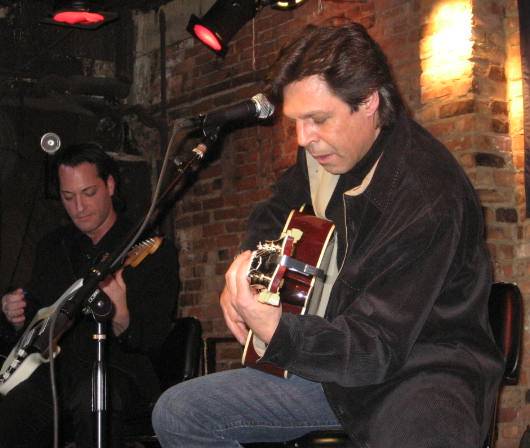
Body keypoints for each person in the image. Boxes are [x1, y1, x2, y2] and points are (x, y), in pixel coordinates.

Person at [152, 21, 504, 448]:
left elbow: (377, 348)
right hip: (331, 360)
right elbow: (274, 212)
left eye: (317, 120)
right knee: (180, 413)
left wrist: (280, 331)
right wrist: (249, 267)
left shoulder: (427, 195)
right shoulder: (325, 156)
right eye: (296, 122)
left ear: (369, 101)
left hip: (419, 371)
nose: (304, 140)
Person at [0, 143, 179, 447]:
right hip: (58, 372)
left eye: (88, 193)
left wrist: (121, 315)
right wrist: (14, 315)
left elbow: (155, 339)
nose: (78, 207)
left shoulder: (149, 247)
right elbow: (39, 318)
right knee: (13, 410)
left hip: (120, 370)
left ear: (109, 185)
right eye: (68, 197)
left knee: (91, 400)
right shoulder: (53, 246)